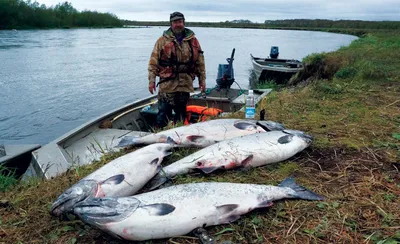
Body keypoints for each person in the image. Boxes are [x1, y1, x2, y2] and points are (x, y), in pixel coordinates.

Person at [148, 11, 206, 128]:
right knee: (163, 114)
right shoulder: (162, 41)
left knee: (181, 115)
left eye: (180, 22)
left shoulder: (193, 40)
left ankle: (178, 138)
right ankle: (158, 137)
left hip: (185, 84)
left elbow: (200, 62)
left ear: (183, 23)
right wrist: (151, 81)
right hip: (167, 84)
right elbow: (153, 63)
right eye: (175, 22)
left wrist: (202, 80)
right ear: (171, 24)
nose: (178, 24)